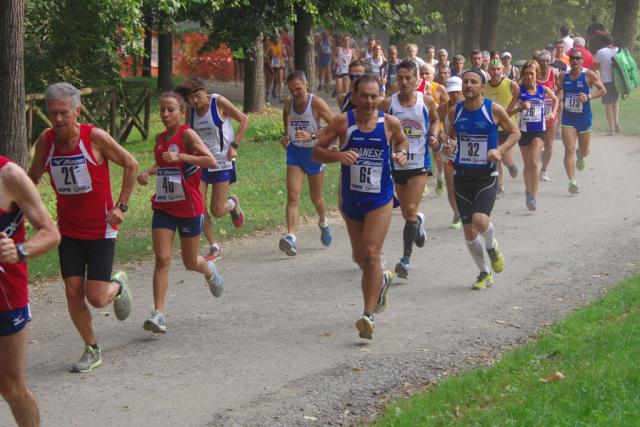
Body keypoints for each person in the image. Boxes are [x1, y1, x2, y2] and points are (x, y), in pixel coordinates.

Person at [28, 82, 138, 372]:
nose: (59, 119)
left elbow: (131, 164)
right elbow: (31, 179)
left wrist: (121, 206)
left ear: (77, 111)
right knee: (73, 291)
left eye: (64, 112)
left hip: (101, 229)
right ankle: (91, 347)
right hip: (69, 230)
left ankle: (119, 285)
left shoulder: (96, 138)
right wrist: (34, 214)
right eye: (54, 114)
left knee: (97, 298)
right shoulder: (47, 142)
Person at [313, 74, 409, 339]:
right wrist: (337, 156)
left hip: (380, 198)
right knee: (360, 258)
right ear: (354, 97)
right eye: (364, 96)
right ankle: (382, 281)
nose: (369, 101)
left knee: (370, 253)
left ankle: (368, 315)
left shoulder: (389, 122)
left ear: (380, 97)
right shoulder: (343, 122)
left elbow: (402, 140)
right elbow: (316, 151)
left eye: (374, 96)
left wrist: (400, 152)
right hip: (351, 199)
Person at [137, 91, 223, 334]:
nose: (165, 114)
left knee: (189, 262)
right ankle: (159, 314)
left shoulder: (187, 134)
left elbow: (210, 161)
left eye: (170, 110)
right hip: (164, 205)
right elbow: (164, 163)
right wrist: (148, 172)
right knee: (162, 258)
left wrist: (182, 156)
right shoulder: (161, 138)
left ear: (182, 112)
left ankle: (208, 269)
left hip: (189, 207)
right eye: (162, 110)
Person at [0, 157, 60, 427]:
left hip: (6, 299)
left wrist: (20, 250)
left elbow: (51, 232)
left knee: (11, 387)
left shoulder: (9, 175)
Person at [448, 69, 520, 290]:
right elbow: (451, 136)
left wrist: (499, 150)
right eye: (466, 82)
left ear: (482, 87)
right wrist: (446, 145)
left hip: (486, 176)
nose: (468, 85)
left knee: (480, 221)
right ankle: (484, 273)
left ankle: (491, 245)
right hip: (461, 176)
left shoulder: (493, 109)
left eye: (474, 82)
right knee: (469, 231)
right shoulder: (455, 111)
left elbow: (515, 133)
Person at [379, 60, 440, 279]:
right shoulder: (388, 104)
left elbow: (435, 120)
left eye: (409, 78)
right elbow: (378, 127)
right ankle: (418, 223)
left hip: (419, 163)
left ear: (417, 80)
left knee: (411, 208)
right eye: (400, 78)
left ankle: (405, 259)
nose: (404, 82)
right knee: (407, 212)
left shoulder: (426, 101)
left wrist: (433, 135)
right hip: (395, 163)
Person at [177, 77, 248, 262]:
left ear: (204, 92)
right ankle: (213, 246)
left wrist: (235, 145)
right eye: (190, 98)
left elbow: (243, 119)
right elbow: (187, 135)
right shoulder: (191, 111)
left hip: (222, 162)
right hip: (201, 163)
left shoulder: (218, 102)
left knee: (216, 210)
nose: (194, 101)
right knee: (198, 206)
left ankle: (232, 204)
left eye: (197, 96)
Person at [279, 71, 335, 255]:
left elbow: (334, 124)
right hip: (295, 152)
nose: (296, 93)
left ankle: (323, 221)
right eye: (292, 90)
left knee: (315, 197)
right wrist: (287, 135)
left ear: (307, 86)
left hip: (314, 153)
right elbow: (286, 115)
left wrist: (313, 135)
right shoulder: (289, 102)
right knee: (293, 195)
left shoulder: (316, 103)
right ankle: (291, 237)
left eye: (299, 89)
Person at [507, 62, 558, 211]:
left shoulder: (543, 90)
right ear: (523, 76)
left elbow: (555, 100)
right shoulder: (519, 92)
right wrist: (519, 108)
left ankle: (533, 197)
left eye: (532, 73)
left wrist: (553, 113)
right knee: (527, 165)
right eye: (527, 74)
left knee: (534, 162)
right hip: (524, 132)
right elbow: (507, 112)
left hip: (539, 131)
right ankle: (528, 191)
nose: (529, 76)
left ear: (537, 75)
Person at [560, 49, 606, 194]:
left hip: (584, 118)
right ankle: (572, 181)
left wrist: (588, 96)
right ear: (570, 60)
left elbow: (603, 90)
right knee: (569, 149)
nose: (574, 61)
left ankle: (581, 156)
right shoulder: (563, 76)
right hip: (568, 118)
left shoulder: (588, 75)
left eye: (577, 58)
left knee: (584, 151)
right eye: (572, 58)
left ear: (581, 60)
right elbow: (558, 90)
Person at [484, 60, 520, 198]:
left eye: (498, 69)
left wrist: (509, 109)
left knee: (505, 159)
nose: (496, 72)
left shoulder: (510, 84)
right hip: (492, 126)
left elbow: (518, 94)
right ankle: (499, 186)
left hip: (507, 126)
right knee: (495, 157)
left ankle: (510, 165)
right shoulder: (485, 87)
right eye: (493, 69)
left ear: (503, 70)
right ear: (488, 71)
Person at [419, 63, 449, 196]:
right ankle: (423, 183)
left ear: (433, 75)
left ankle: (440, 176)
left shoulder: (439, 88)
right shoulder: (416, 88)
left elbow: (447, 106)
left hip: (437, 125)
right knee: (421, 152)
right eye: (422, 73)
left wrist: (435, 103)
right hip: (421, 126)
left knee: (437, 154)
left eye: (427, 74)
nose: (424, 76)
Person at [441, 76, 464, 229]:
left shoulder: (469, 106)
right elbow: (434, 123)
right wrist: (439, 136)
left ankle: (468, 211)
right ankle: (456, 214)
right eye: (451, 92)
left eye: (457, 92)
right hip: (449, 147)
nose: (455, 95)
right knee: (450, 183)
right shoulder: (443, 107)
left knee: (464, 182)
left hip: (465, 148)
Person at [536, 50, 562, 182]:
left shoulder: (554, 74)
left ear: (550, 61)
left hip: (550, 114)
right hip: (535, 114)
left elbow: (560, 88)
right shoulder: (534, 74)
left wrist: (556, 98)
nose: (545, 63)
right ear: (538, 62)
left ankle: (544, 170)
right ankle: (535, 164)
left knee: (549, 144)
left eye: (547, 60)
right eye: (542, 60)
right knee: (536, 142)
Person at [594, 35, 621, 135]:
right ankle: (617, 123)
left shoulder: (601, 52)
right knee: (615, 103)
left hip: (606, 81)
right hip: (618, 81)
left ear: (603, 43)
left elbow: (595, 66)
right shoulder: (618, 50)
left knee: (608, 105)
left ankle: (612, 129)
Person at [334, 35, 355, 99]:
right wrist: (336, 60)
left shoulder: (352, 51)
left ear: (350, 41)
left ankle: (344, 104)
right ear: (342, 41)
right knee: (339, 89)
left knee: (346, 90)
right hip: (339, 71)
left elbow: (355, 58)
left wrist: (350, 63)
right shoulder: (338, 49)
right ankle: (340, 103)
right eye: (345, 40)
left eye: (348, 40)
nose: (347, 42)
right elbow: (333, 55)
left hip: (347, 71)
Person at [267, 36, 287, 103]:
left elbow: (284, 54)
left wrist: (284, 49)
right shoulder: (270, 45)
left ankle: (280, 96)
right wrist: (270, 58)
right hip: (272, 64)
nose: (277, 39)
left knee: (280, 80)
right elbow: (266, 54)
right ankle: (268, 93)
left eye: (278, 38)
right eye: (276, 38)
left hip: (280, 64)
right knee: (271, 79)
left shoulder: (281, 45)